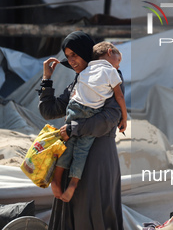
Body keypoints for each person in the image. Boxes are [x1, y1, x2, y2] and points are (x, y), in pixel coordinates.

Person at [33, 31, 130, 230]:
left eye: (75, 55)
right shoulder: (77, 84)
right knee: (69, 220)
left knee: (95, 222)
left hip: (98, 159)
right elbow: (49, 111)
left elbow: (107, 120)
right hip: (74, 154)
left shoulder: (111, 77)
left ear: (88, 52)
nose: (72, 61)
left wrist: (74, 128)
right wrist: (46, 79)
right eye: (68, 57)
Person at [50, 41, 128, 202]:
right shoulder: (111, 71)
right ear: (109, 52)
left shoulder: (85, 69)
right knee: (81, 151)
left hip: (74, 108)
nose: (118, 66)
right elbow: (119, 97)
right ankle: (73, 184)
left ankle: (56, 180)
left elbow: (76, 90)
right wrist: (124, 117)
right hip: (91, 114)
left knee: (67, 147)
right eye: (118, 61)